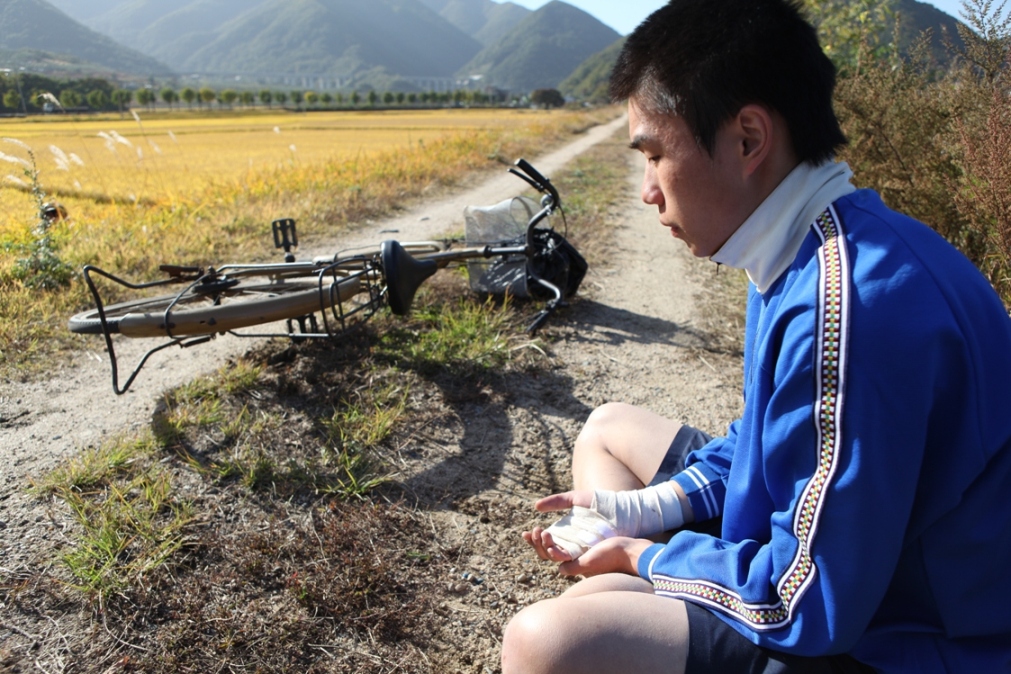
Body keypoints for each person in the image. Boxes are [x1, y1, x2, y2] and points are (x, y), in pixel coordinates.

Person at [499, 1, 1011, 672]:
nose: (648, 191)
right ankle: (628, 602)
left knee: (546, 643)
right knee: (606, 428)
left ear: (746, 139)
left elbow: (809, 603)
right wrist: (633, 509)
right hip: (849, 569)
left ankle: (624, 604)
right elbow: (761, 439)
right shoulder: (811, 242)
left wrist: (645, 554)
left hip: (903, 633)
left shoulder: (850, 307)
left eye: (654, 155)